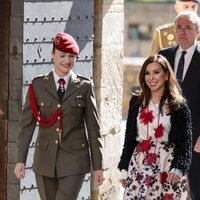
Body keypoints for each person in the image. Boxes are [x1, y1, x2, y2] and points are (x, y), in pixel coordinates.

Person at [14, 32, 104, 200]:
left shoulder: (84, 86)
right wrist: (20, 160)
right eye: (62, 55)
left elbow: (93, 128)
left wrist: (98, 165)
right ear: (52, 54)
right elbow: (26, 125)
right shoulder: (38, 85)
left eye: (71, 56)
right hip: (45, 160)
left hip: (75, 159)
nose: (67, 61)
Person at [118, 54, 192, 199]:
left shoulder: (179, 106)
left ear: (166, 76)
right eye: (147, 73)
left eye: (156, 72)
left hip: (168, 167)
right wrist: (124, 168)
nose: (151, 77)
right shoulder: (136, 102)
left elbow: (185, 143)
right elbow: (129, 140)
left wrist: (179, 168)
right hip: (139, 165)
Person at [159, 11, 200, 200]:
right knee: (165, 186)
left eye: (188, 27)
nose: (183, 31)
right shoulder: (163, 56)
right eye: (179, 27)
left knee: (196, 188)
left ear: (197, 32)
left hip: (196, 136)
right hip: (166, 133)